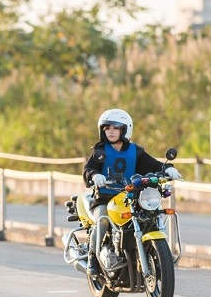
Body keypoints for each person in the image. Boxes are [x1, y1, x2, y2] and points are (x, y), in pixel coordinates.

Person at [77, 109, 182, 271]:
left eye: (115, 128)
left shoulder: (135, 151)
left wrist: (167, 169)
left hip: (131, 197)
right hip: (105, 197)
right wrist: (95, 175)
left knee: (151, 215)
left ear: (125, 130)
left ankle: (156, 255)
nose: (110, 131)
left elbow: (153, 165)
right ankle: (92, 256)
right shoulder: (100, 151)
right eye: (107, 128)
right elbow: (88, 169)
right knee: (103, 219)